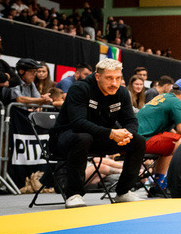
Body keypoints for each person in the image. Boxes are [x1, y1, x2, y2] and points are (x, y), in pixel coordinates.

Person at [50, 58, 146, 207]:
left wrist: (127, 134)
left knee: (138, 141)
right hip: (66, 137)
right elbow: (78, 123)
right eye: (109, 78)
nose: (114, 83)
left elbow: (131, 120)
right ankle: (74, 194)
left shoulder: (121, 92)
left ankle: (123, 192)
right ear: (97, 77)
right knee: (83, 137)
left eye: (118, 78)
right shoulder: (80, 89)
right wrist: (111, 133)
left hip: (99, 138)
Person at [136, 77, 181, 193]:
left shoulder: (163, 97)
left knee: (171, 141)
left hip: (136, 139)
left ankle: (159, 185)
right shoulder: (176, 102)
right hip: (141, 141)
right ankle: (180, 181)